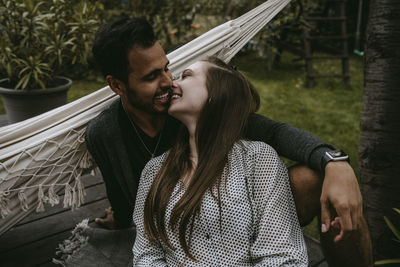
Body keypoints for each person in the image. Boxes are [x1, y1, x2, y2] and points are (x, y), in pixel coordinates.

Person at [86, 18, 372, 266]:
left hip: (235, 216)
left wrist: (333, 160)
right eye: (151, 77)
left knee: (311, 178)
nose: (168, 82)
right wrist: (122, 218)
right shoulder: (106, 134)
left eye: (167, 68)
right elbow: (120, 192)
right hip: (168, 228)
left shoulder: (202, 111)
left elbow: (274, 133)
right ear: (117, 85)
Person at [132, 57, 308, 265]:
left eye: (186, 76)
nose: (172, 83)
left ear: (217, 94)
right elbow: (146, 255)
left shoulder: (257, 160)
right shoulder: (155, 171)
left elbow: (282, 255)